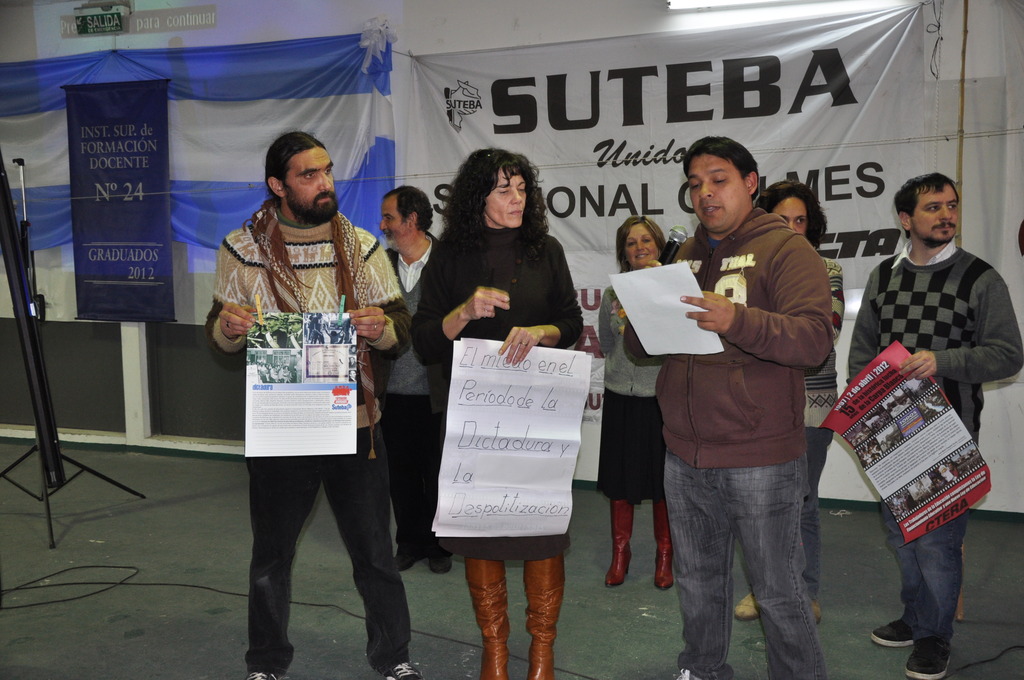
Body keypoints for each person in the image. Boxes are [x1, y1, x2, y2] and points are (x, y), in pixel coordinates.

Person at [205, 131, 424, 680]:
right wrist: (229, 328)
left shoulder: (362, 246)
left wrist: (380, 327)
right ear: (277, 185)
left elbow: (400, 326)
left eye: (326, 171)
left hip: (356, 424)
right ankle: (266, 663)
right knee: (271, 556)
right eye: (309, 175)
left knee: (375, 554)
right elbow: (219, 332)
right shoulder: (241, 249)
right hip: (282, 423)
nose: (325, 182)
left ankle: (394, 657)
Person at [624, 136, 832, 680]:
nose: (706, 194)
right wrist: (640, 317)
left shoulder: (788, 250)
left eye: (718, 180)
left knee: (777, 591)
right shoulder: (684, 256)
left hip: (760, 455)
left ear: (750, 183)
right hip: (685, 453)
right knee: (697, 582)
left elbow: (814, 340)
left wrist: (737, 320)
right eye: (695, 184)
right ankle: (702, 669)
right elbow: (647, 348)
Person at [411, 148, 583, 680]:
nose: (516, 199)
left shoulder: (546, 250)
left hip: (538, 417)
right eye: (503, 189)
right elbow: (424, 340)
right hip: (473, 420)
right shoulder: (449, 256)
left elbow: (571, 322)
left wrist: (542, 332)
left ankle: (542, 651)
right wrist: (463, 312)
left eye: (522, 189)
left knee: (542, 531)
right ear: (477, 198)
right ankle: (495, 650)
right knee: (479, 530)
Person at [848, 172, 1023, 680]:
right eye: (933, 207)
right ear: (906, 219)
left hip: (949, 436)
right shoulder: (883, 276)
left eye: (952, 205)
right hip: (891, 435)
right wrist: (863, 416)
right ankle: (916, 618)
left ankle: (934, 637)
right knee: (901, 534)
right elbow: (862, 354)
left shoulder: (981, 278)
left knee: (937, 544)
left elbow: (1008, 354)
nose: (947, 215)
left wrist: (941, 361)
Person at [734, 181, 844, 624]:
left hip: (812, 404)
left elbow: (825, 332)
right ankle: (762, 589)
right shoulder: (751, 268)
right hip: (760, 400)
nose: (793, 229)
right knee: (757, 504)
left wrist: (758, 326)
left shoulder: (827, 269)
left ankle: (805, 590)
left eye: (801, 221)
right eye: (783, 220)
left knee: (803, 502)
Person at [597, 215, 673, 589]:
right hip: (619, 398)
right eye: (631, 242)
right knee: (618, 481)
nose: (639, 247)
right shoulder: (612, 295)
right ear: (623, 253)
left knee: (662, 484)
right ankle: (620, 553)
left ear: (659, 246)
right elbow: (606, 343)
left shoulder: (673, 292)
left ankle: (665, 555)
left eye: (646, 240)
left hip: (658, 399)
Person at [379, 185, 452, 574]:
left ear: (411, 220)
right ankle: (408, 541)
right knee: (401, 474)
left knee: (438, 472)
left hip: (439, 393)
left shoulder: (450, 262)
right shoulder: (379, 266)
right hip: (391, 393)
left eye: (389, 217)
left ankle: (440, 545)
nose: (383, 225)